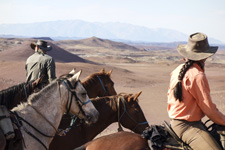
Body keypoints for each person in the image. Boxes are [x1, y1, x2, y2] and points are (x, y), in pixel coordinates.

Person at [167, 32, 225, 150]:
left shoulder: (177, 70)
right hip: (188, 126)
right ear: (205, 56)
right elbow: (209, 109)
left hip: (177, 122)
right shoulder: (197, 75)